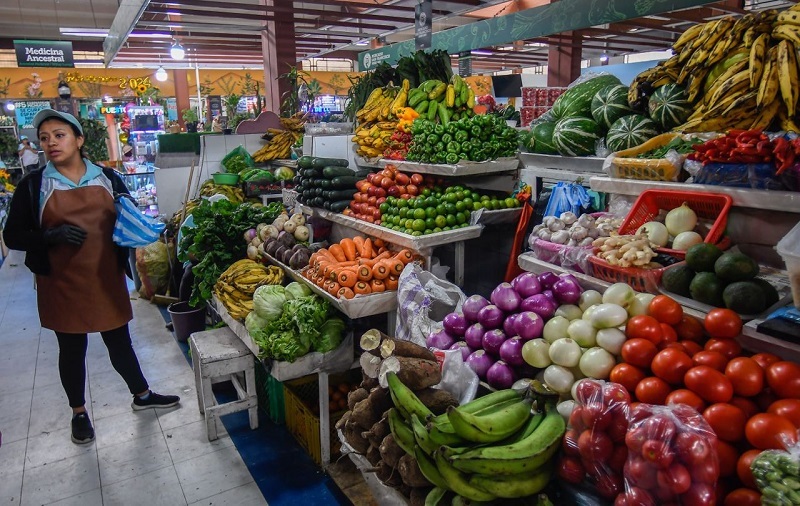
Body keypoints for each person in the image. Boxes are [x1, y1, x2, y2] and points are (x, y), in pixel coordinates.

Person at [3, 110, 180, 445]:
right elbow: (12, 236)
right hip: (60, 282)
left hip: (104, 275)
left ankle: (142, 394)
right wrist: (49, 236)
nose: (51, 143)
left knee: (119, 342)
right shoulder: (35, 186)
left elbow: (127, 219)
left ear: (79, 139)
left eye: (59, 135)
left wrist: (143, 228)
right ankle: (79, 412)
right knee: (71, 349)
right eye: (44, 138)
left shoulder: (107, 178)